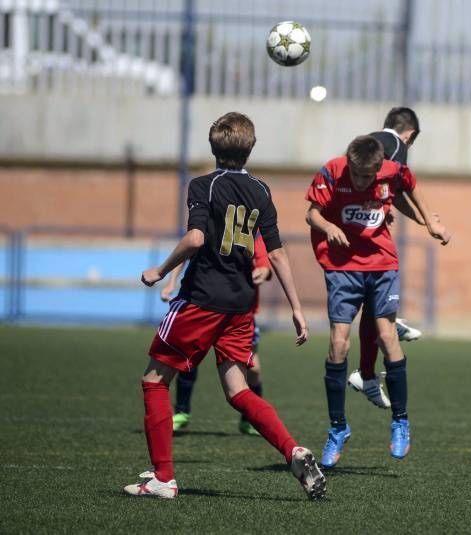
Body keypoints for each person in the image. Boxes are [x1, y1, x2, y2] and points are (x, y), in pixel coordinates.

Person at [124, 112, 325, 500]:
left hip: (201, 300)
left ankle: (163, 478)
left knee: (153, 381)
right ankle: (292, 450)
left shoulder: (204, 185)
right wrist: (297, 309)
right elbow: (279, 255)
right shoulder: (262, 191)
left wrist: (160, 269)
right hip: (240, 307)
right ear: (250, 148)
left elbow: (196, 238)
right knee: (238, 390)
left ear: (213, 146)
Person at [305, 135, 450, 469]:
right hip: (342, 267)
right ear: (349, 163)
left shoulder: (391, 171)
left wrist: (430, 220)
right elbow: (312, 214)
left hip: (382, 263)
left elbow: (411, 184)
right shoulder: (332, 171)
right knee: (338, 344)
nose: (360, 181)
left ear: (378, 168)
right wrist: (328, 226)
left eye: (367, 177)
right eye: (356, 175)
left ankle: (400, 420)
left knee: (387, 336)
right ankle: (338, 428)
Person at [348, 107, 430, 409]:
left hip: (355, 227)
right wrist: (424, 218)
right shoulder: (395, 145)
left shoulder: (369, 142)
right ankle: (371, 364)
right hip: (366, 238)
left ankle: (368, 372)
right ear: (410, 134)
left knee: (373, 305)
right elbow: (396, 188)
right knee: (376, 302)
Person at [159, 232, 272, 435]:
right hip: (204, 307)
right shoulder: (207, 228)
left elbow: (266, 264)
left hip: (239, 313)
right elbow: (187, 250)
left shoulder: (252, 232)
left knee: (252, 369)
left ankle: (249, 419)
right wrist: (171, 283)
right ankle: (182, 411)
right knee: (187, 358)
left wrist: (263, 272)